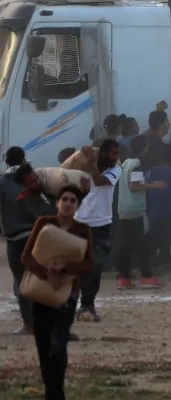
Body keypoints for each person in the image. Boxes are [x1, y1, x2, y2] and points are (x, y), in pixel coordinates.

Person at [21, 185, 94, 400]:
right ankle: (53, 394)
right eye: (65, 199)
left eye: (73, 200)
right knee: (44, 347)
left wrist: (62, 271)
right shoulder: (44, 223)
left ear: (78, 206)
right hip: (42, 293)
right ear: (57, 202)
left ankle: (55, 394)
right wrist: (46, 273)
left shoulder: (82, 230)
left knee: (57, 346)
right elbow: (27, 257)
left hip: (67, 295)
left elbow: (88, 263)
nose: (68, 203)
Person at [1, 159, 53, 335]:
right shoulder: (41, 185)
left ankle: (30, 325)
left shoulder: (7, 184)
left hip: (17, 239)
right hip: (37, 237)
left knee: (22, 283)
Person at [74, 139, 122, 322]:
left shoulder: (116, 169)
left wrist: (91, 161)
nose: (116, 157)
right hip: (79, 222)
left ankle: (88, 305)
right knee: (77, 267)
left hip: (101, 226)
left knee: (95, 268)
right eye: (113, 153)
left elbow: (99, 181)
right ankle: (74, 304)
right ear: (102, 152)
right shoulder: (85, 167)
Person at [112, 135, 167, 290]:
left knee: (125, 246)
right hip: (136, 210)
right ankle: (147, 277)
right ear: (145, 147)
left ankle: (124, 278)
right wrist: (154, 185)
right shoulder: (137, 164)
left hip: (123, 210)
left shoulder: (125, 164)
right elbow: (135, 186)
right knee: (143, 245)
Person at [146, 140, 171, 281]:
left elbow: (145, 189)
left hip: (155, 212)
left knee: (152, 242)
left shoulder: (151, 172)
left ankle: (148, 271)